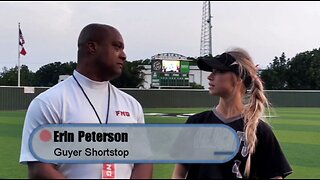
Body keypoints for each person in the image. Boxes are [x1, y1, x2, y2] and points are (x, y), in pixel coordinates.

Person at [19, 23, 153, 179]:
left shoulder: (131, 105)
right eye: (117, 47)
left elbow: (143, 162)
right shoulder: (49, 102)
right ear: (92, 47)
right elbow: (40, 170)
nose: (123, 55)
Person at [172, 48, 293, 179]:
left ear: (239, 78)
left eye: (219, 71)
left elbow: (274, 176)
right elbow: (179, 174)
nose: (210, 76)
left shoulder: (260, 131)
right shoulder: (195, 123)